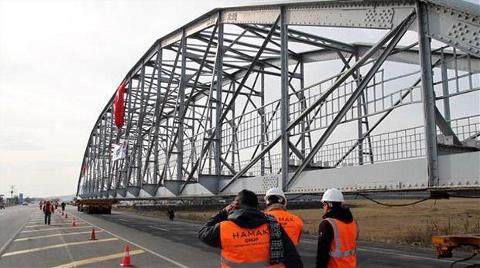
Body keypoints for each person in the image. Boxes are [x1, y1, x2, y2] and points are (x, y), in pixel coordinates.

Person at [198, 189, 303, 268]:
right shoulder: (273, 225)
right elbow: (293, 258)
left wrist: (223, 212)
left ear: (235, 206)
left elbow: (203, 233)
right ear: (257, 206)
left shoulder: (223, 228)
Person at [316, 188, 358, 268]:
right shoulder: (353, 222)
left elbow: (322, 254)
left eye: (324, 204)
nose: (323, 207)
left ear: (329, 205)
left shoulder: (327, 224)